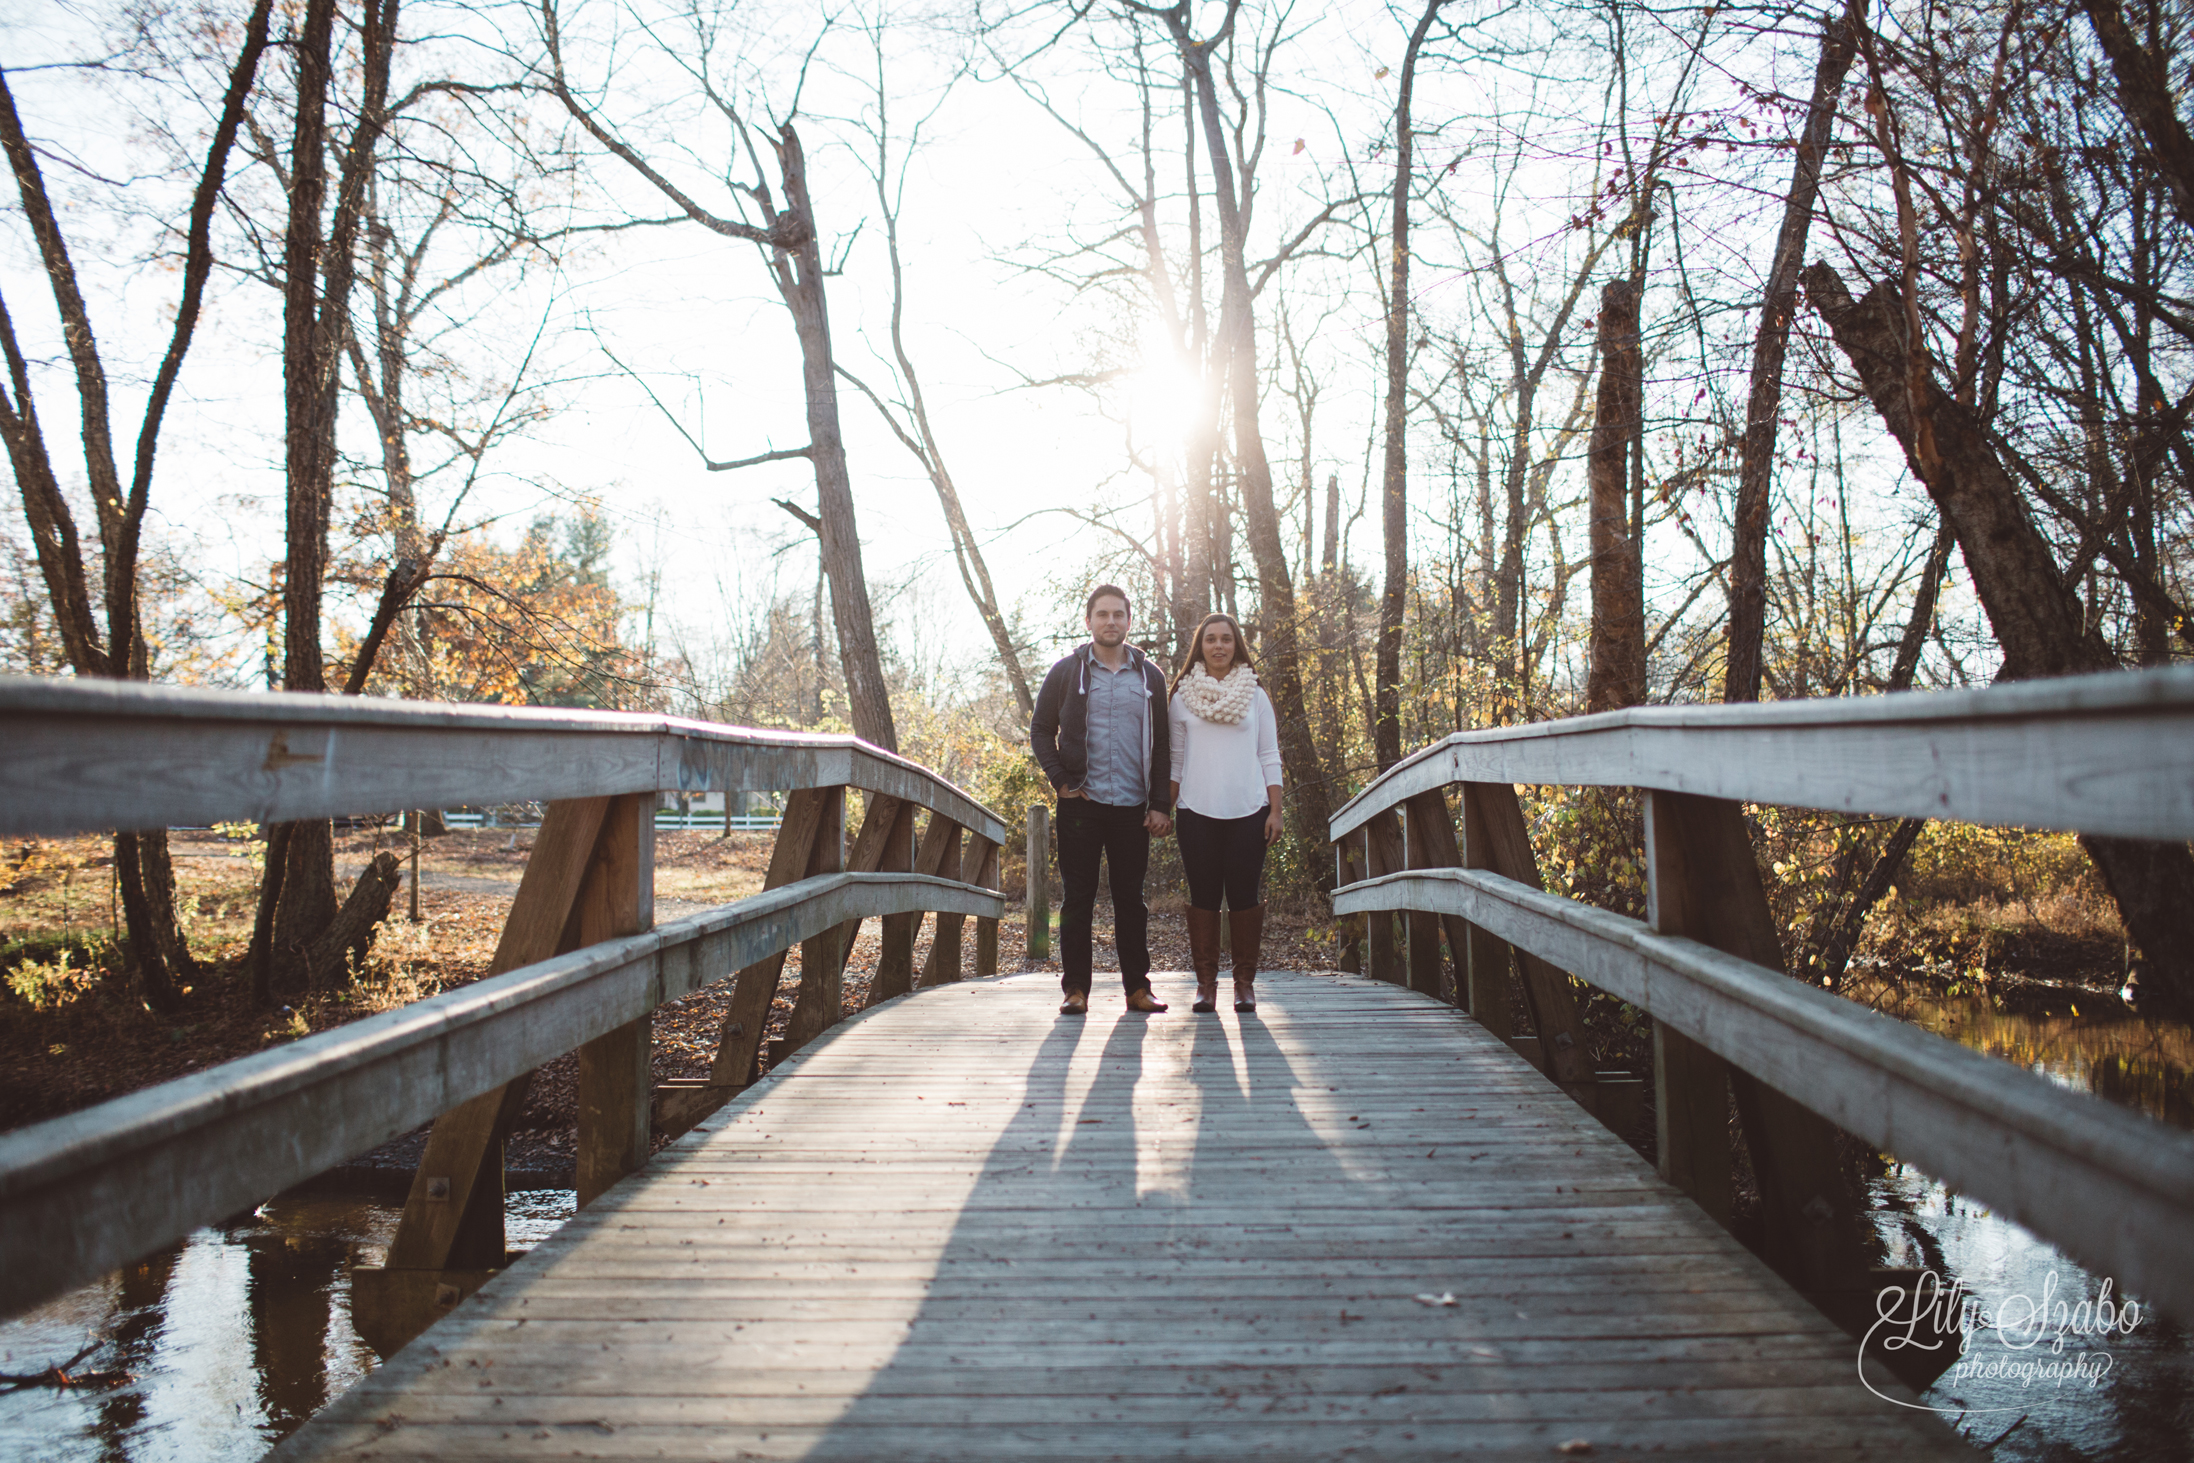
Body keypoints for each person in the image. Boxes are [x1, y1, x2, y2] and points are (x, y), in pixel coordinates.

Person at [1030, 585, 1175, 1016]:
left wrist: (1160, 804)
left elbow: (1163, 745)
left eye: (1118, 615)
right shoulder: (1065, 672)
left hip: (1133, 806)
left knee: (1132, 899)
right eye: (1102, 614)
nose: (1110, 621)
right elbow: (1041, 729)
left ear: (1129, 621)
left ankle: (1138, 989)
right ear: (1088, 621)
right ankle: (1075, 989)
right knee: (1078, 897)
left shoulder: (1151, 677)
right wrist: (1059, 779)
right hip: (1081, 804)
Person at [1167, 611, 1282, 1013]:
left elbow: (1269, 754)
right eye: (1211, 639)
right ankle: (1205, 985)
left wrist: (1276, 811)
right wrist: (1164, 808)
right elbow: (1175, 760)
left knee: (1244, 898)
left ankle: (1244, 984)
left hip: (1249, 811)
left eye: (1226, 639)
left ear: (1237, 645)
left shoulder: (1256, 694)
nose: (1218, 646)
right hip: (1196, 812)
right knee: (1203, 898)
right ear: (1200, 645)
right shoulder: (1182, 697)